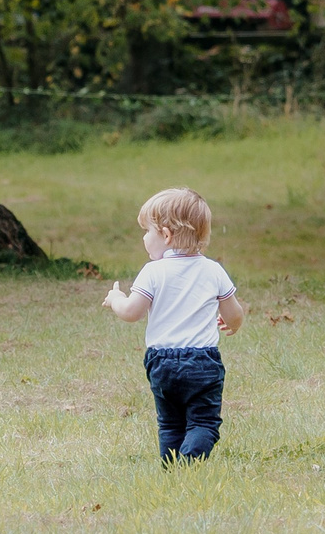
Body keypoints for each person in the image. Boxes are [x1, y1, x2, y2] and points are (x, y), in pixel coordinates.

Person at [100, 187, 245, 462]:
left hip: (161, 363)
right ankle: (188, 464)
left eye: (147, 231)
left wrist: (116, 298)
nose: (144, 238)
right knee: (204, 423)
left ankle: (173, 471)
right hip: (203, 362)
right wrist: (232, 325)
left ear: (165, 235)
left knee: (170, 424)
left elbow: (131, 312)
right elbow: (234, 313)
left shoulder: (152, 272)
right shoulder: (213, 270)